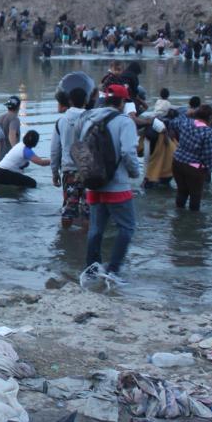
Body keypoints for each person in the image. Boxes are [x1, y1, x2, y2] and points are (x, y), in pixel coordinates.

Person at [80, 85, 140, 285]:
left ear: (105, 99)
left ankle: (90, 268)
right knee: (128, 226)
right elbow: (128, 153)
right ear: (123, 102)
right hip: (117, 185)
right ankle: (113, 269)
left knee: (96, 229)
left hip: (93, 182)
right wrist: (135, 173)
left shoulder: (87, 118)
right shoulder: (125, 122)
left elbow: (79, 148)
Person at [51, 87, 88, 228]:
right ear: (86, 101)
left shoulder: (61, 122)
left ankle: (65, 241)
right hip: (88, 171)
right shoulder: (92, 118)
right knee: (88, 210)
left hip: (69, 171)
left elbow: (55, 151)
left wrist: (55, 173)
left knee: (68, 209)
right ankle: (85, 244)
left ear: (70, 101)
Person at [168, 104, 212, 211]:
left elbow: (172, 122)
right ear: (209, 118)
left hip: (178, 162)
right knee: (195, 195)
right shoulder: (208, 132)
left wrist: (187, 113)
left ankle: (178, 217)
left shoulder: (185, 122)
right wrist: (208, 170)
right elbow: (207, 155)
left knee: (181, 191)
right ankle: (193, 222)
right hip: (194, 167)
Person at [0, 96, 21, 170]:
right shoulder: (15, 119)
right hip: (8, 161)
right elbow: (11, 135)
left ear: (7, 106)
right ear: (18, 107)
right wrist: (17, 151)